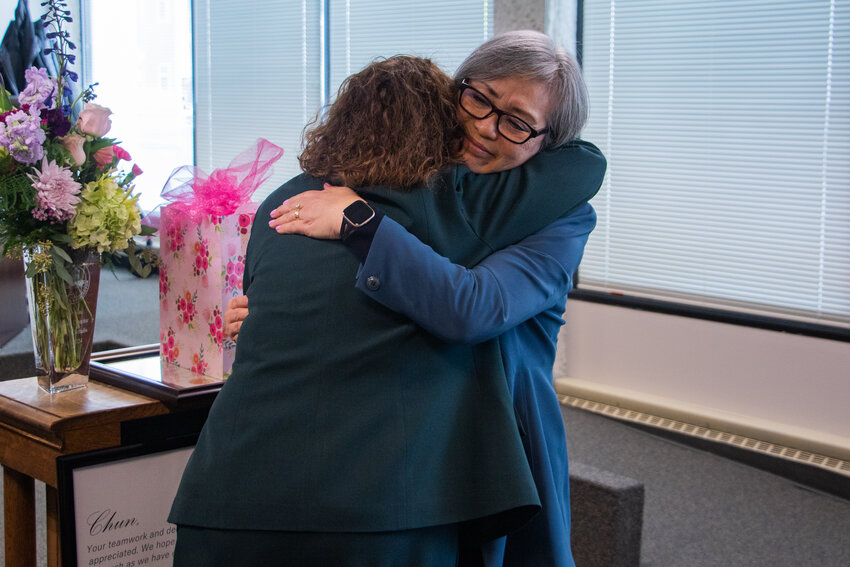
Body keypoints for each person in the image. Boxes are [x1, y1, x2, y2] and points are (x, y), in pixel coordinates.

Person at [171, 53, 603, 566]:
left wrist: (359, 221)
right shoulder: (426, 199)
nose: (486, 127)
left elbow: (475, 304)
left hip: (490, 427)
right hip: (396, 469)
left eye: (514, 122)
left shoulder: (532, 208)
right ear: (450, 99)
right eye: (478, 99)